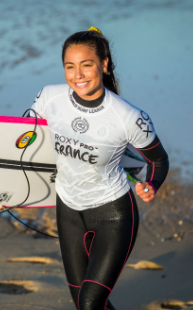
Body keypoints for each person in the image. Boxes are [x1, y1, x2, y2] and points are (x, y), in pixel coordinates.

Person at [28, 27, 169, 309]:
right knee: (85, 304)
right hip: (68, 209)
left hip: (112, 214)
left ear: (103, 65)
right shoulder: (49, 98)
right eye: (70, 66)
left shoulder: (128, 116)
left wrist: (151, 184)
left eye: (86, 65)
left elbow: (158, 160)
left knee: (91, 301)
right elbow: (21, 143)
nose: (77, 75)